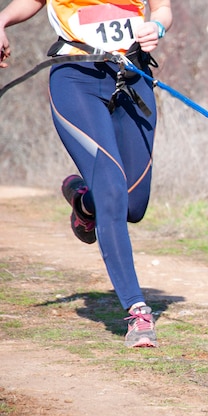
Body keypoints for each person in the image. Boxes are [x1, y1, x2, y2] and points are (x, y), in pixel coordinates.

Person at [0, 0, 172, 348]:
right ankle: (137, 311)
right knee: (111, 188)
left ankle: (84, 202)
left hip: (133, 77)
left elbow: (163, 9)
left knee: (133, 205)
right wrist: (2, 20)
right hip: (76, 76)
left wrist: (157, 28)